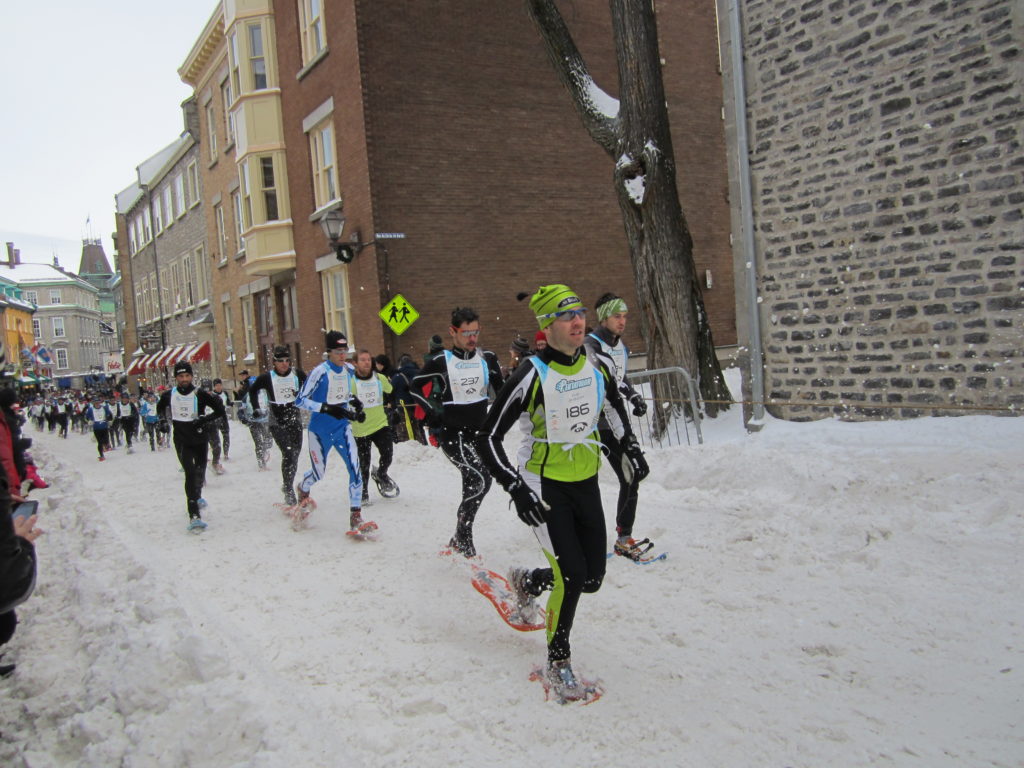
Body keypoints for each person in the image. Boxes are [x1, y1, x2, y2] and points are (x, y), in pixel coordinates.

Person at [476, 284, 650, 701]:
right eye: (565, 314)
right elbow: (487, 438)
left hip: (585, 481)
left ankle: (527, 581)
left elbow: (612, 408)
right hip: (543, 484)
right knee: (571, 576)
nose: (577, 321)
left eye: (579, 312)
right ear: (546, 325)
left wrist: (629, 448)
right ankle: (558, 662)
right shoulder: (531, 374)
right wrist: (517, 489)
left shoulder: (595, 367)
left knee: (591, 577)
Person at [410, 307, 504, 557]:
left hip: (478, 434)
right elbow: (414, 388)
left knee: (473, 483)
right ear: (453, 332)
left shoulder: (488, 358)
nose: (472, 338)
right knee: (482, 479)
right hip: (453, 434)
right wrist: (433, 412)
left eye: (475, 332)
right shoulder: (442, 361)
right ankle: (464, 537)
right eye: (466, 333)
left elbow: (503, 393)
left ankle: (460, 537)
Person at [582, 292, 653, 560]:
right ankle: (578, 535)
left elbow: (617, 380)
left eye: (624, 316)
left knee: (633, 474)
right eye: (616, 316)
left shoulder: (620, 347)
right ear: (603, 318)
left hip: (612, 423)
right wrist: (628, 438)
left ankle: (624, 537)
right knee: (584, 484)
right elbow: (603, 392)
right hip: (591, 426)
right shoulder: (590, 346)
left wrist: (633, 395)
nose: (622, 322)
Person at [294, 331, 369, 531]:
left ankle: (356, 515)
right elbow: (300, 400)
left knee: (355, 468)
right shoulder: (320, 372)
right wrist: (326, 408)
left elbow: (346, 393)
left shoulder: (349, 370)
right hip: (319, 430)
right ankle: (303, 488)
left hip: (341, 428)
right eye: (338, 351)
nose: (342, 355)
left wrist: (355, 403)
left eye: (345, 351)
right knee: (318, 473)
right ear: (329, 352)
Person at [157, 361, 226, 532]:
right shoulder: (169, 395)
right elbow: (160, 408)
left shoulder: (200, 394)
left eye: (187, 376)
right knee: (189, 473)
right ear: (176, 378)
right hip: (181, 440)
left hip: (200, 440)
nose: (184, 379)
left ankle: (197, 495)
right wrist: (162, 422)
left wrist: (203, 419)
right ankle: (194, 515)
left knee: (199, 472)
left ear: (191, 376)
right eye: (181, 376)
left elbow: (220, 410)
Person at [248, 346, 307, 505]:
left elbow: (310, 387)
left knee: (294, 455)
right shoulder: (267, 377)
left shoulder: (297, 374)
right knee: (288, 453)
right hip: (277, 421)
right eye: (280, 361)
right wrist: (255, 409)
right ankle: (288, 489)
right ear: (274, 362)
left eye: (287, 360)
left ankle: (287, 483)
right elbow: (253, 391)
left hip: (294, 419)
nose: (284, 364)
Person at [351, 349, 399, 505]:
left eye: (368, 360)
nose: (366, 362)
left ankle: (381, 473)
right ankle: (363, 492)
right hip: (360, 428)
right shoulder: (350, 382)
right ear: (355, 363)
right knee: (364, 462)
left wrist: (394, 408)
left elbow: (391, 391)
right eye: (362, 360)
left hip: (380, 424)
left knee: (388, 454)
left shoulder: (380, 378)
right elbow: (344, 402)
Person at [390, 354, 424, 444]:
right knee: (418, 429)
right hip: (418, 406)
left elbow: (390, 390)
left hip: (403, 406)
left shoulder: (398, 377)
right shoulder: (419, 373)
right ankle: (421, 446)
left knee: (404, 431)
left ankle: (406, 448)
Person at [209, 379, 232, 460]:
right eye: (216, 386)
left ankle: (226, 453)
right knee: (214, 437)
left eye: (220, 385)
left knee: (226, 435)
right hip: (214, 417)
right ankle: (215, 452)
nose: (218, 387)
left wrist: (231, 403)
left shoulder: (224, 393)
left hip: (223, 416)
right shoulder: (211, 395)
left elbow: (228, 402)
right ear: (214, 386)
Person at [85, 396, 113, 460]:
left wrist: (110, 420)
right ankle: (101, 455)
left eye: (98, 402)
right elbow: (86, 417)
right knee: (99, 442)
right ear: (93, 403)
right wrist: (89, 421)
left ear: (100, 402)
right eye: (95, 403)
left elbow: (110, 415)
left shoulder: (104, 408)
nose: (97, 404)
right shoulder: (90, 409)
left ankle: (106, 445)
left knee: (106, 439)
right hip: (96, 428)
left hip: (104, 426)